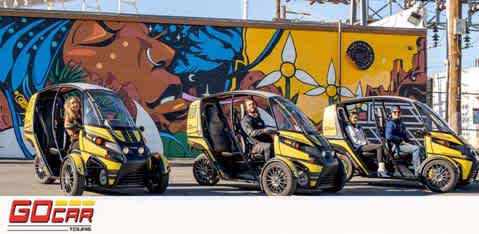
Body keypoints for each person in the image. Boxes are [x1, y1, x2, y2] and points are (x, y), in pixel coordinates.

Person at [345, 111, 389, 177]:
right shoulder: (349, 128)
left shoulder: (359, 127)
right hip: (359, 147)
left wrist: (368, 142)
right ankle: (381, 169)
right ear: (350, 118)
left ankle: (387, 167)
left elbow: (364, 137)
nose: (355, 119)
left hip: (364, 144)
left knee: (382, 146)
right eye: (354, 118)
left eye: (356, 118)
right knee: (379, 147)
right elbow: (355, 141)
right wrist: (365, 143)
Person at [385, 105, 424, 176]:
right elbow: (388, 136)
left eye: (398, 112)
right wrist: (400, 141)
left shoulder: (401, 123)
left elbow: (405, 136)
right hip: (396, 146)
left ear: (401, 113)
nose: (397, 114)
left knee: (421, 148)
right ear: (391, 113)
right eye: (395, 112)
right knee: (416, 149)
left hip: (403, 145)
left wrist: (408, 141)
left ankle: (422, 169)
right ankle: (418, 174)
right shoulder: (390, 124)